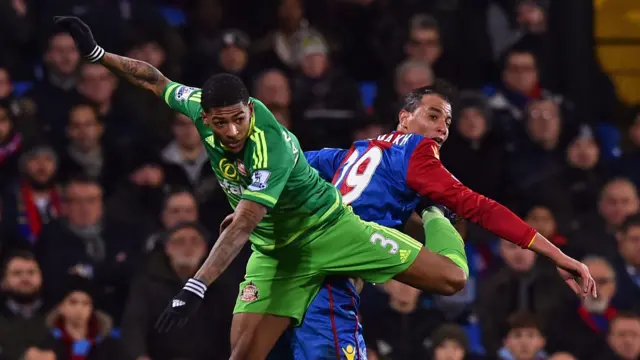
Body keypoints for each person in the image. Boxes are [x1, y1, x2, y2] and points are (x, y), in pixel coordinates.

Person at [52, 16, 537, 360]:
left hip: (327, 234)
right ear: (204, 115)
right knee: (242, 352)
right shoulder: (201, 105)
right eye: (220, 124)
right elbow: (155, 80)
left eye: (239, 119)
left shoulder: (270, 146)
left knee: (450, 277)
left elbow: (245, 220)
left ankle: (436, 216)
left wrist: (196, 285)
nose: (231, 132)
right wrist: (98, 54)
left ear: (250, 108)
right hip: (275, 245)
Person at [274, 83, 599, 359]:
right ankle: (435, 212)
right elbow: (483, 208)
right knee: (454, 275)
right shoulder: (416, 151)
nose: (442, 128)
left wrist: (252, 206)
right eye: (432, 116)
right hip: (330, 281)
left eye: (446, 121)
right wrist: (557, 254)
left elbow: (289, 164)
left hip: (293, 272)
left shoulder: (354, 152)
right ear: (404, 118)